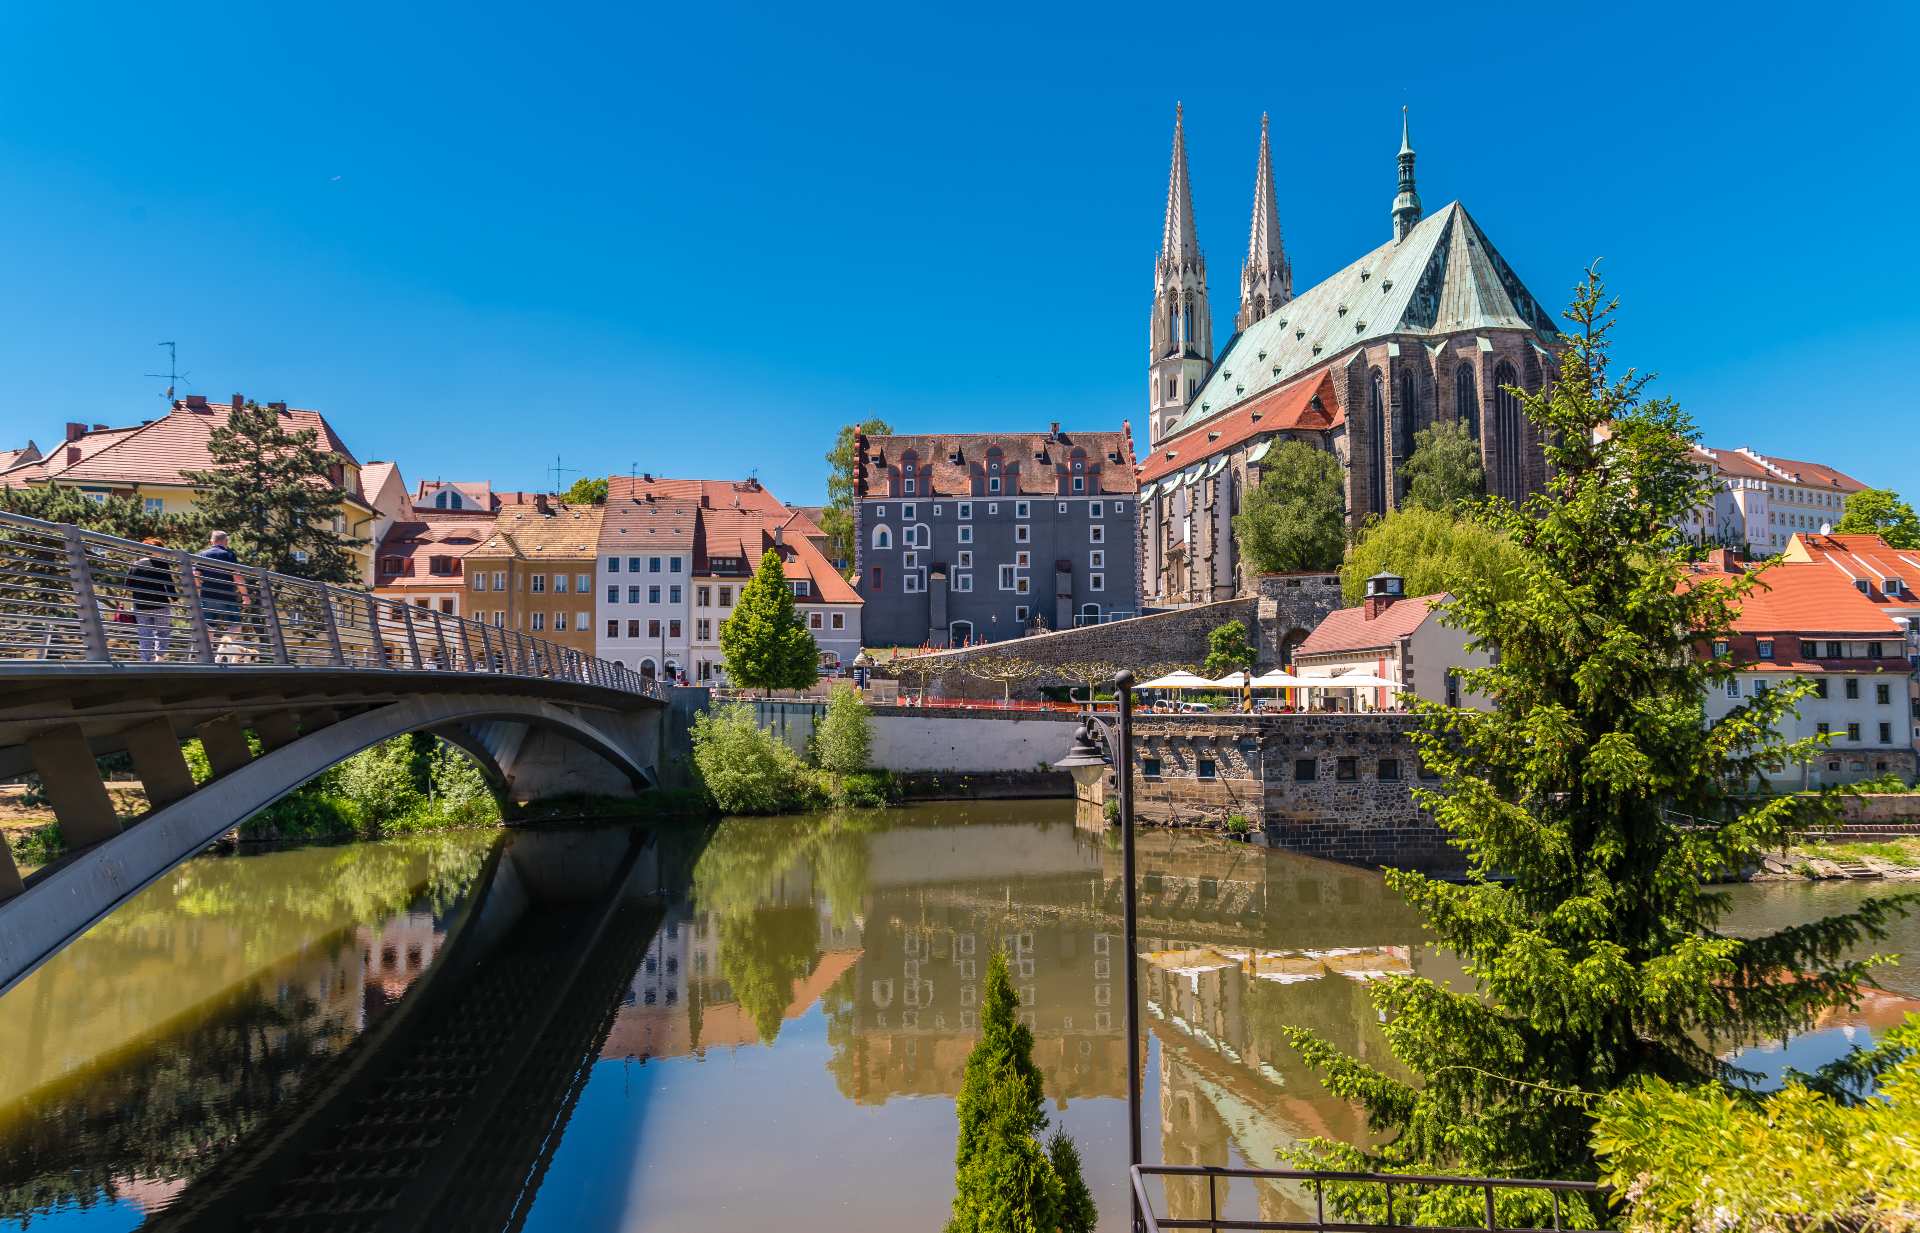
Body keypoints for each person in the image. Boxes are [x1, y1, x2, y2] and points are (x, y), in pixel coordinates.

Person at [127, 538, 177, 663]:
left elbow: (127, 585)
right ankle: (159, 658)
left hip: (140, 605)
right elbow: (169, 584)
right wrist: (174, 598)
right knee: (163, 632)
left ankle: (146, 660)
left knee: (145, 634)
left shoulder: (135, 564)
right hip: (160, 604)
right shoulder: (162, 564)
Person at [195, 531, 244, 659]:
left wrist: (198, 591)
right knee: (236, 625)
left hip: (207, 595)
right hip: (227, 595)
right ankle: (222, 647)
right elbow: (237, 576)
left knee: (208, 627)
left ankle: (207, 657)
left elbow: (196, 575)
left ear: (212, 541)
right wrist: (245, 596)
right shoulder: (229, 554)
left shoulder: (203, 554)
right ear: (226, 541)